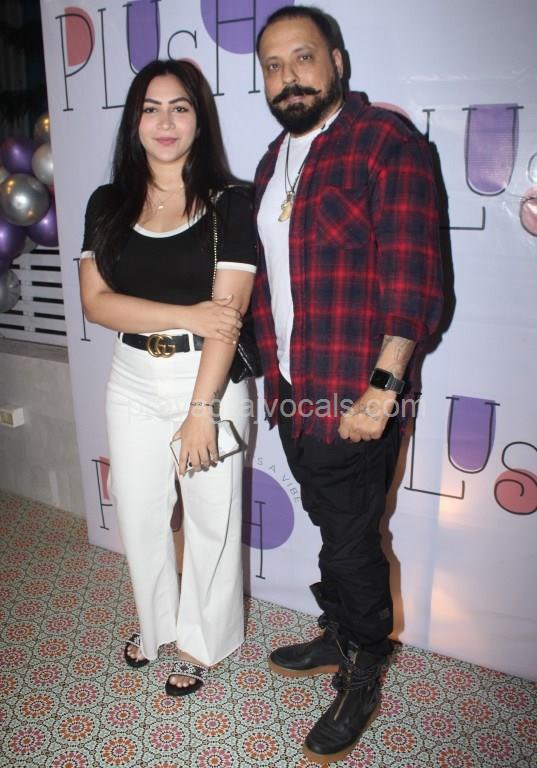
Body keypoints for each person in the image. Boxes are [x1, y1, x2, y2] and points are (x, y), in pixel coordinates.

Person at [253, 6, 443, 763]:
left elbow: (415, 277)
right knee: (336, 525)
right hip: (295, 393)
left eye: (302, 58)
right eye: (272, 66)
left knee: (354, 542)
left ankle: (365, 665)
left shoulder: (384, 142)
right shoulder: (273, 160)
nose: (287, 77)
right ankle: (338, 631)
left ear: (336, 60)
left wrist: (381, 388)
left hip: (356, 395)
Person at [80, 59, 257, 696]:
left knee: (211, 518)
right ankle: (156, 628)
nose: (165, 121)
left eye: (179, 107)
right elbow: (96, 303)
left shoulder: (231, 202)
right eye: (150, 108)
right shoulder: (108, 203)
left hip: (207, 379)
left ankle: (204, 643)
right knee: (138, 512)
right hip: (131, 376)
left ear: (198, 120)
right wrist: (186, 313)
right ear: (134, 121)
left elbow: (226, 320)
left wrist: (202, 409)